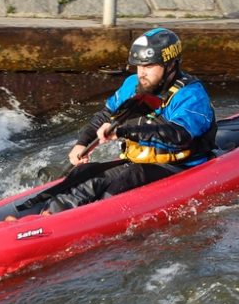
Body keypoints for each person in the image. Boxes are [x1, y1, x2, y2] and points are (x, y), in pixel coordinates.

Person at [39, 27, 217, 215]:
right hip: (138, 162)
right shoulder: (133, 84)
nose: (141, 73)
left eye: (148, 66)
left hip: (180, 167)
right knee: (90, 175)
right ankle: (44, 217)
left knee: (130, 176)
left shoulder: (191, 95)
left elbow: (179, 136)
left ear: (171, 65)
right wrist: (82, 143)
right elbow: (105, 116)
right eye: (139, 66)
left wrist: (124, 132)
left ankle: (93, 217)